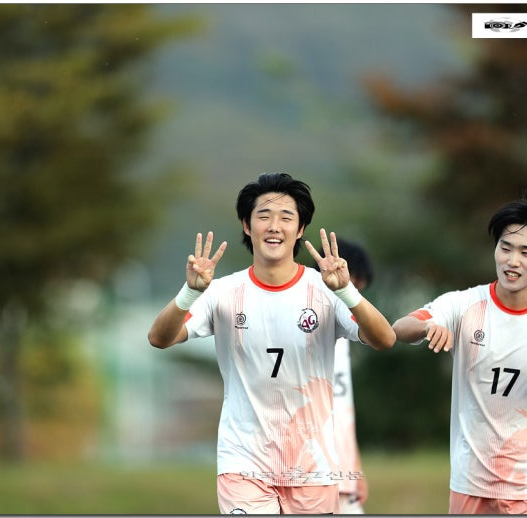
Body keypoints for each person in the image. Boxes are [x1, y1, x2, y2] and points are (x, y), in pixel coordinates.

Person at [148, 172, 396, 515]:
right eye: (263, 216)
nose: (274, 226)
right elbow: (159, 338)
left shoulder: (326, 291)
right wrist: (190, 292)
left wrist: (346, 291)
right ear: (247, 225)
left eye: (286, 217)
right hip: (243, 463)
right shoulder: (222, 292)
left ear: (301, 228)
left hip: (312, 464)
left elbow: (385, 338)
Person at [392, 199, 527, 515]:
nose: (513, 261)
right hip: (471, 484)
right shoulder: (463, 305)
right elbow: (399, 328)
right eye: (505, 248)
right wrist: (428, 326)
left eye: (526, 252)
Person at [313, 239, 372, 514]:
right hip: (310, 472)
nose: (353, 293)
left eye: (357, 286)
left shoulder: (348, 332)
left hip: (342, 475)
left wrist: (355, 468)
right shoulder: (309, 324)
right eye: (352, 282)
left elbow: (343, 407)